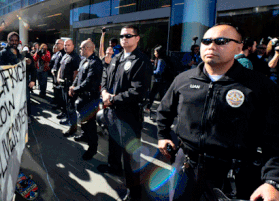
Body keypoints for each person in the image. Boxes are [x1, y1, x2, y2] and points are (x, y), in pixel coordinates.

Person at [156, 23, 279, 200]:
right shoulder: (183, 79)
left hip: (232, 176)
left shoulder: (260, 86)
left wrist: (273, 181)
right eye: (206, 41)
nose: (212, 46)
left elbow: (274, 138)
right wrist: (162, 135)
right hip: (186, 167)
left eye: (221, 41)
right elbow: (164, 111)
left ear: (239, 46)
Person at [99, 25, 151, 199]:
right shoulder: (117, 57)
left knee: (131, 157)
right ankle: (113, 167)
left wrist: (113, 98)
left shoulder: (141, 60)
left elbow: (139, 91)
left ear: (137, 38)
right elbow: (106, 75)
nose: (124, 38)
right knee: (113, 144)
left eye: (128, 36)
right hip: (112, 112)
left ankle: (134, 192)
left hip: (129, 115)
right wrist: (105, 92)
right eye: (122, 36)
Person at [69, 40, 103, 160]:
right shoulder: (84, 60)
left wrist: (75, 89)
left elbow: (89, 82)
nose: (80, 50)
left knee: (90, 125)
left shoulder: (95, 63)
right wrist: (73, 86)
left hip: (90, 98)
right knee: (83, 121)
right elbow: (78, 76)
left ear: (89, 48)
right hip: (81, 96)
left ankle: (92, 148)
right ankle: (84, 135)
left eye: (82, 48)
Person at [57, 39, 81, 137]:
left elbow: (76, 74)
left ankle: (73, 127)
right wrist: (58, 77)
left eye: (68, 45)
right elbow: (60, 67)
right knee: (67, 105)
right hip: (63, 85)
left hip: (70, 86)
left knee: (71, 107)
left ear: (73, 46)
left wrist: (72, 87)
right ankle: (68, 120)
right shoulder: (65, 55)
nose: (66, 47)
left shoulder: (75, 58)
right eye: (65, 45)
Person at [145, 46, 169, 112]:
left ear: (159, 53)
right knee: (162, 96)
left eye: (155, 52)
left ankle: (148, 108)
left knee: (152, 95)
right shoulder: (161, 59)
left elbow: (159, 72)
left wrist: (150, 72)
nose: (154, 54)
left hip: (159, 81)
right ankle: (164, 109)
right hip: (162, 81)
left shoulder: (161, 60)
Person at [51, 39, 66, 113]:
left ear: (62, 44)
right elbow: (55, 63)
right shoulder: (57, 53)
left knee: (61, 93)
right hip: (55, 74)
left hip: (60, 76)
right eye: (56, 43)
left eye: (58, 43)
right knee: (56, 91)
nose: (56, 45)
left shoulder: (64, 53)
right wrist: (53, 69)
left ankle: (61, 108)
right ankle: (57, 104)